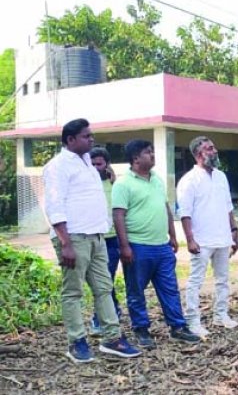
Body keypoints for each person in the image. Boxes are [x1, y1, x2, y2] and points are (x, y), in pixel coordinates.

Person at [42, 118, 141, 363]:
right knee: (73, 291)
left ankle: (112, 338)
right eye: (86, 136)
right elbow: (54, 205)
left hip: (96, 236)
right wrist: (65, 243)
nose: (92, 139)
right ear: (70, 140)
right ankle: (76, 342)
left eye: (91, 135)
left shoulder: (87, 162)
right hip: (73, 237)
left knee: (104, 288)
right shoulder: (57, 166)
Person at [112, 139, 200, 348]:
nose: (153, 155)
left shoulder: (157, 180)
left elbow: (165, 208)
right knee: (136, 291)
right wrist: (124, 246)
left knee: (169, 288)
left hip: (161, 246)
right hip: (137, 246)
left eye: (152, 151)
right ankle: (142, 330)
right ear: (135, 159)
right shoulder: (123, 184)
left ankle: (178, 327)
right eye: (148, 152)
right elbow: (118, 215)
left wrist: (172, 234)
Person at [176, 136, 238, 337]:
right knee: (196, 281)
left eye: (214, 148)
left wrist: (234, 229)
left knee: (223, 279)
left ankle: (221, 315)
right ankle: (193, 321)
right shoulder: (189, 180)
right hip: (201, 240)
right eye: (209, 149)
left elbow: (228, 206)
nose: (215, 151)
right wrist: (190, 239)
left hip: (222, 236)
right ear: (198, 154)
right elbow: (184, 213)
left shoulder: (221, 176)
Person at [88, 147, 122, 335]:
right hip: (94, 237)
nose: (95, 167)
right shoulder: (86, 185)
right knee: (100, 280)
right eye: (91, 164)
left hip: (112, 240)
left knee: (105, 278)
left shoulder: (115, 185)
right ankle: (110, 311)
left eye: (98, 164)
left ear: (106, 164)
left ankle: (101, 318)